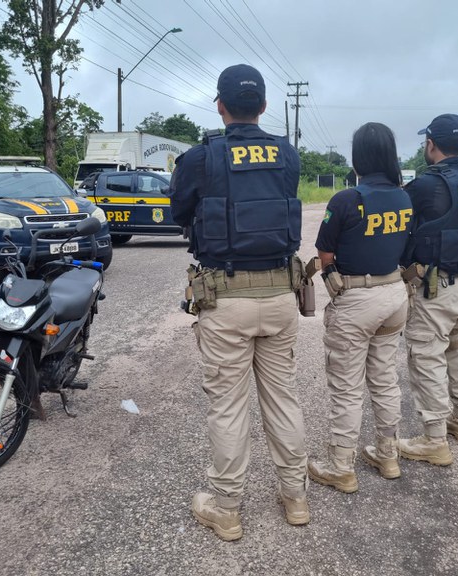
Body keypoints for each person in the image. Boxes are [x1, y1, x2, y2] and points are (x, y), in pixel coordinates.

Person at [168, 64, 309, 541]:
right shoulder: (288, 154)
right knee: (283, 398)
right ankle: (295, 497)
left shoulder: (200, 157)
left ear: (220, 106)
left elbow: (179, 212)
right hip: (281, 295)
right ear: (265, 106)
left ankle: (227, 508)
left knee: (228, 407)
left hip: (225, 299)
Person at [308, 122, 413, 493]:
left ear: (358, 158)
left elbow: (325, 254)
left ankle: (340, 467)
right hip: (394, 295)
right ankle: (388, 455)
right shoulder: (404, 198)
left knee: (346, 388)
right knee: (384, 379)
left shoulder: (346, 199)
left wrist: (333, 281)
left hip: (357, 299)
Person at [398, 113, 458, 466]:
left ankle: (434, 439)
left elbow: (401, 226)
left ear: (430, 144)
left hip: (436, 286)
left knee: (426, 354)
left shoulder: (426, 185)